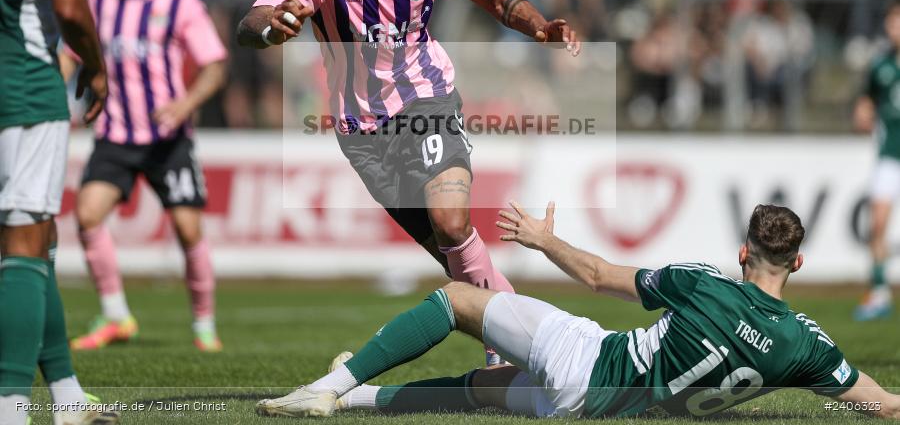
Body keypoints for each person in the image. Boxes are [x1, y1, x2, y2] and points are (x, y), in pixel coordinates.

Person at [237, 0, 579, 366]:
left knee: (451, 220)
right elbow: (252, 21)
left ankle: (508, 353)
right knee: (452, 255)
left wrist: (538, 27)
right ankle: (529, 345)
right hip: (361, 132)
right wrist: (272, 27)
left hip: (427, 101)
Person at [255, 203, 900, 419]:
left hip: (589, 361)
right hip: (599, 408)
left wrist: (541, 241)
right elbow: (881, 402)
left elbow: (597, 276)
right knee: (486, 390)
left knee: (455, 300)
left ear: (742, 251)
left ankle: (326, 388)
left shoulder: (705, 283)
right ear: (799, 265)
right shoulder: (806, 346)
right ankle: (354, 400)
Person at [60, 0, 228, 352]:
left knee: (189, 231)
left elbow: (213, 66)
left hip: (167, 139)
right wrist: (50, 96)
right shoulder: (100, 3)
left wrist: (183, 106)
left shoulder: (181, 3)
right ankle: (116, 315)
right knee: (87, 215)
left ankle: (204, 324)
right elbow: (69, 53)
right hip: (115, 134)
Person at [0, 0, 118, 424]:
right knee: (26, 238)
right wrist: (96, 67)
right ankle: (10, 408)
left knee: (35, 239)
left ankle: (68, 396)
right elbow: (70, 7)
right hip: (20, 84)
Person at [853, 0, 900, 320]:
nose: (894, 27)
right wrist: (864, 113)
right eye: (892, 21)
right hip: (889, 155)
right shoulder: (880, 65)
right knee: (878, 223)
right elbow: (865, 102)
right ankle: (880, 291)